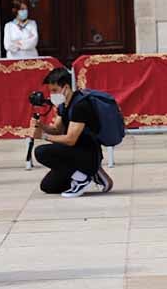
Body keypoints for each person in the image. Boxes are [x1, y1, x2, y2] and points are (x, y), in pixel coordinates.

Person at [32, 67, 114, 198]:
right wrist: (41, 125)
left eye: (54, 91)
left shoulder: (80, 106)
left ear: (65, 87)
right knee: (48, 186)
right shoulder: (63, 105)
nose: (52, 95)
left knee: (41, 152)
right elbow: (57, 130)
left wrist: (43, 136)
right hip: (73, 153)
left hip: (87, 153)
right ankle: (91, 173)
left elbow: (71, 139)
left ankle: (83, 178)